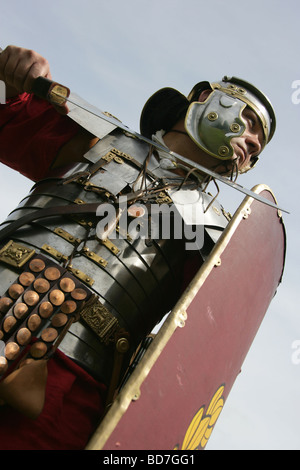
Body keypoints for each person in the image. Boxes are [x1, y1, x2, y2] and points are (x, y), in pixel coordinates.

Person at [0, 45, 276, 450]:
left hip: (70, 381)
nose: (251, 143)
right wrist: (12, 78)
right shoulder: (96, 138)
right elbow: (9, 117)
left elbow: (205, 339)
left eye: (258, 147)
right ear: (205, 99)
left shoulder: (215, 240)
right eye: (249, 122)